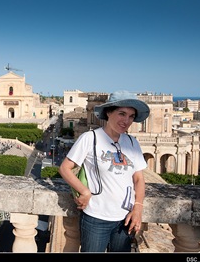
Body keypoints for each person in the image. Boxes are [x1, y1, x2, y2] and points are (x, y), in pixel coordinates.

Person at [59, 90, 150, 252]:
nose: (126, 120)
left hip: (125, 218)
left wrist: (138, 207)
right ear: (108, 113)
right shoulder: (90, 138)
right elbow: (65, 168)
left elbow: (138, 179)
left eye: (131, 116)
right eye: (122, 114)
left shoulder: (132, 142)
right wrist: (84, 192)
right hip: (96, 218)